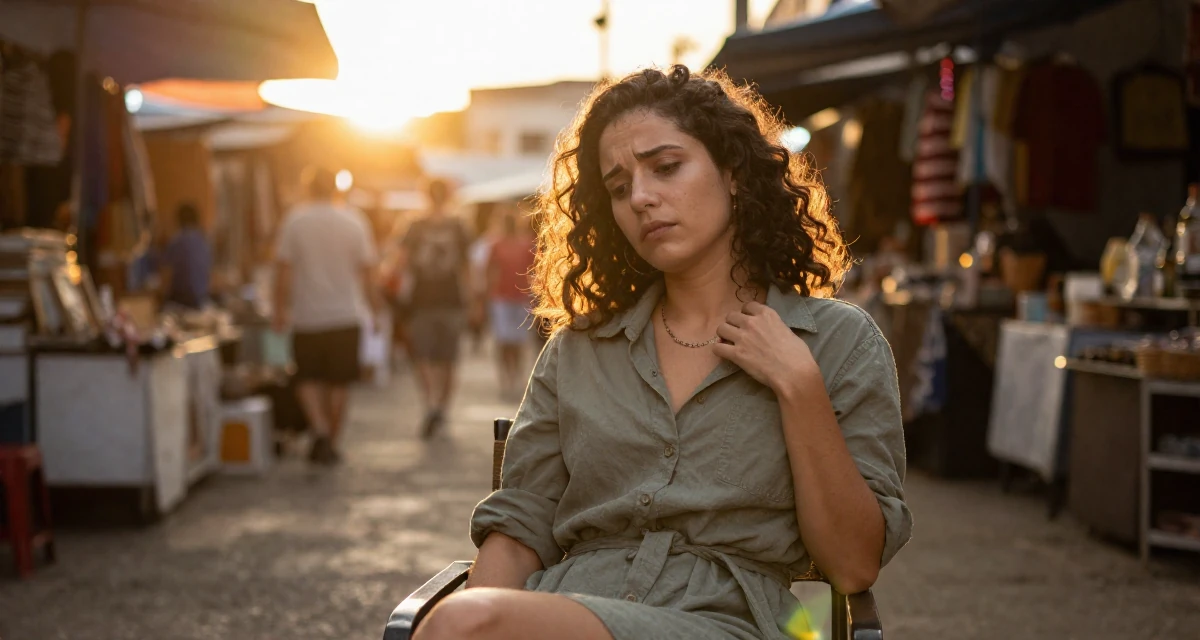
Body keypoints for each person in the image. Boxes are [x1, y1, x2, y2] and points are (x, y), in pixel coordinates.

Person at [414, 66, 912, 640]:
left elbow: (852, 565)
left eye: (666, 167)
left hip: (730, 620)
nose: (642, 198)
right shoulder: (578, 350)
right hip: (571, 608)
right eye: (619, 187)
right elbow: (522, 525)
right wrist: (484, 617)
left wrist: (799, 386)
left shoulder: (836, 342)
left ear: (732, 172)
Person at [273, 166, 382, 465]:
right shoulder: (354, 221)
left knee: (306, 378)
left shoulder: (295, 220)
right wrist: (375, 310)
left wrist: (278, 309)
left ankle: (320, 430)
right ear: (336, 188)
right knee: (339, 382)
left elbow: (283, 270)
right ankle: (330, 440)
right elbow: (369, 274)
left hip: (307, 315)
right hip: (346, 315)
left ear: (308, 188)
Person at [396, 178, 471, 438]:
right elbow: (467, 268)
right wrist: (473, 302)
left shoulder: (414, 226)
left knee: (423, 357)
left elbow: (401, 263)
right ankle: (442, 408)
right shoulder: (459, 225)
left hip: (421, 300)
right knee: (448, 359)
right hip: (452, 300)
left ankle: (430, 403)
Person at [486, 209, 536, 400]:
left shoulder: (526, 244)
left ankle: (515, 378)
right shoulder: (496, 245)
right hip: (501, 298)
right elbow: (490, 270)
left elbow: (534, 270)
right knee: (503, 341)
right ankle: (506, 380)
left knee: (517, 341)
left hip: (520, 298)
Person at [161, 202, 213, 309]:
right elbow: (208, 275)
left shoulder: (176, 241)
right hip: (200, 301)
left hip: (179, 301)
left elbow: (167, 276)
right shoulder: (204, 242)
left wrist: (162, 298)